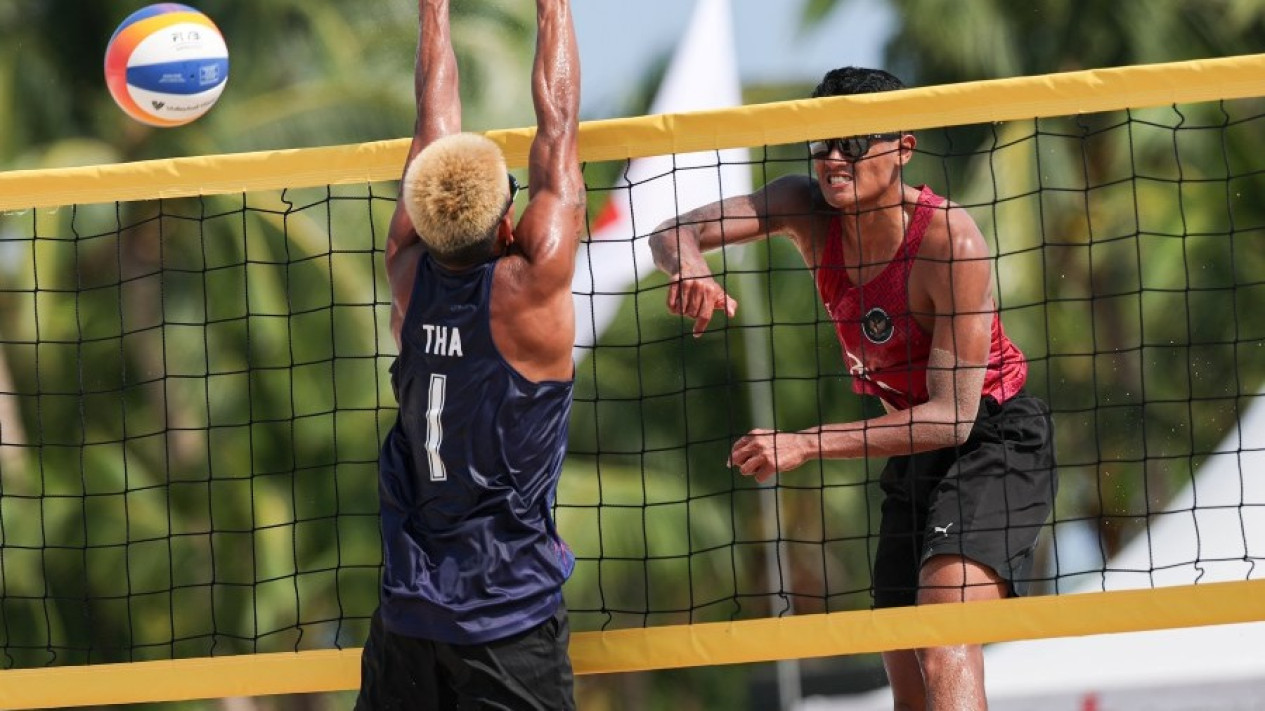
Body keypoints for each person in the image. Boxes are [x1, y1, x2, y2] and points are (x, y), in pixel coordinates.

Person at [648, 66, 1056, 711]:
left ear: (903, 145)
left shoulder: (951, 241)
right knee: (905, 672)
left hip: (993, 440)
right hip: (910, 445)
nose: (834, 158)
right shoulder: (804, 206)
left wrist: (805, 444)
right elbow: (672, 230)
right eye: (821, 142)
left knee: (942, 633)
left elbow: (953, 417)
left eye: (855, 141)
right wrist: (691, 268)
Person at [355, 0, 585, 708]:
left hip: (408, 610)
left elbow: (433, 122)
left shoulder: (405, 274)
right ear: (509, 221)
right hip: (503, 615)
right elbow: (558, 128)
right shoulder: (528, 283)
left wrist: (433, 9)